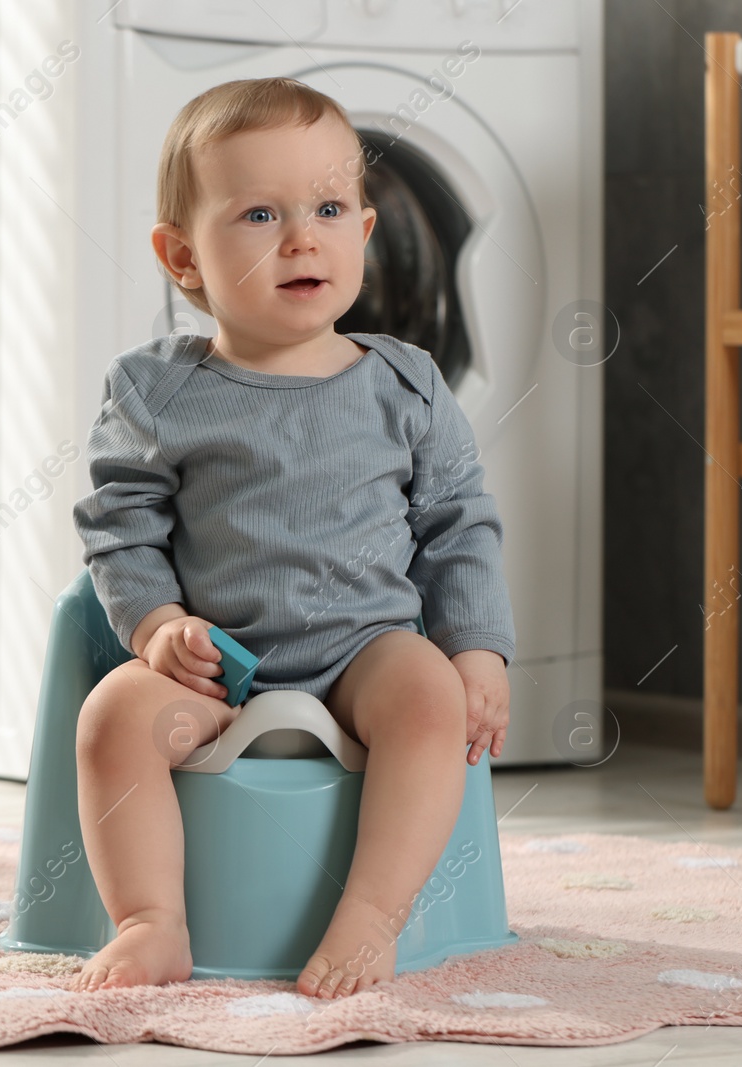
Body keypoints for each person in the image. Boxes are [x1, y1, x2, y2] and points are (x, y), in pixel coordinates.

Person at [69, 76, 516, 1000]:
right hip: (218, 671)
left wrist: (477, 649)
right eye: (260, 213)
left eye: (328, 206)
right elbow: (122, 530)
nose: (302, 236)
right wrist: (157, 629)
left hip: (364, 655)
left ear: (363, 226)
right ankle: (152, 919)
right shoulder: (157, 392)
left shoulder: (407, 385)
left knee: (430, 699)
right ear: (182, 256)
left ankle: (373, 913)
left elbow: (458, 525)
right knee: (111, 717)